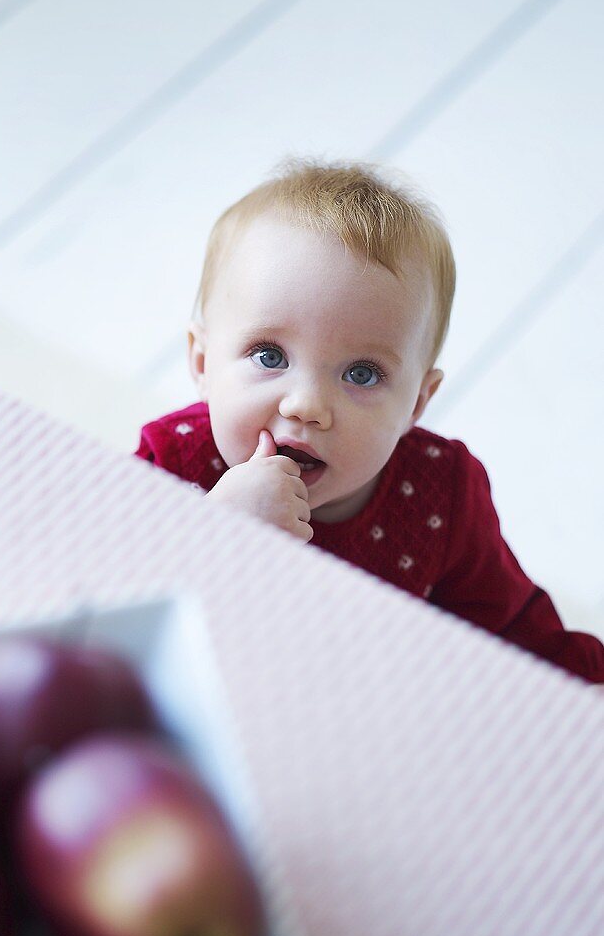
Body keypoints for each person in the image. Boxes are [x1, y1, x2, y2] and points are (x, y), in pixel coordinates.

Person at [134, 159, 604, 685]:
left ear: (417, 403)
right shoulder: (173, 463)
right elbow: (102, 603)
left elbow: (517, 632)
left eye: (361, 372)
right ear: (202, 363)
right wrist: (211, 532)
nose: (306, 404)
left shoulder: (439, 492)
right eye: (269, 356)